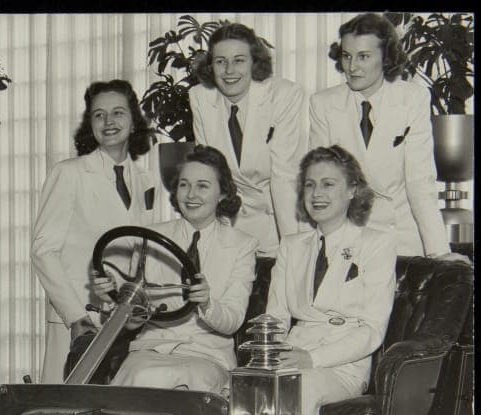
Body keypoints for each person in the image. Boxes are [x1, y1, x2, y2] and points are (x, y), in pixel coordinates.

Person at [267, 145, 397, 415]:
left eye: (328, 184)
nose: (316, 194)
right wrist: (267, 357)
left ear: (353, 190)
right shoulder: (291, 245)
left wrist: (311, 359)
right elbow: (275, 317)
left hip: (342, 366)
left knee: (298, 388)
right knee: (237, 390)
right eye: (310, 185)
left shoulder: (376, 243)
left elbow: (371, 331)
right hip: (290, 356)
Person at [31, 79, 160, 383]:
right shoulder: (69, 173)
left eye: (118, 113)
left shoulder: (144, 180)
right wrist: (75, 317)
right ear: (90, 124)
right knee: (63, 408)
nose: (109, 122)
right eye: (99, 115)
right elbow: (43, 250)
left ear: (133, 122)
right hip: (77, 316)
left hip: (122, 318)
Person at [309, 13, 467, 262]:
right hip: (347, 242)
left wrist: (439, 252)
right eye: (347, 56)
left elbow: (420, 182)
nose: (352, 67)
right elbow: (321, 184)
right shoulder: (323, 104)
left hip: (401, 242)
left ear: (386, 58)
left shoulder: (412, 99)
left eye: (363, 57)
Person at [104, 145, 257, 394]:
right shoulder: (150, 238)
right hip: (152, 350)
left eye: (203, 186)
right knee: (138, 378)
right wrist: (117, 299)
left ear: (222, 193)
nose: (191, 194)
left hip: (206, 355)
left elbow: (233, 321)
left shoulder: (243, 245)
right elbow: (133, 321)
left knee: (193, 386)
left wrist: (207, 304)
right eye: (184, 185)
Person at [190, 22, 306, 265]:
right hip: (234, 228)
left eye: (239, 60)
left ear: (255, 62)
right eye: (220, 61)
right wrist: (204, 242)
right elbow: (210, 174)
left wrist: (293, 256)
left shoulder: (283, 95)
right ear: (211, 66)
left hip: (278, 222)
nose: (229, 70)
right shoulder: (201, 97)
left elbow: (284, 175)